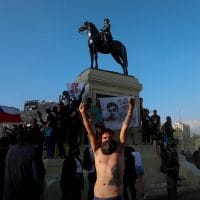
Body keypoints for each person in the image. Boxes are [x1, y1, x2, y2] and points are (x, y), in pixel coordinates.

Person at [79, 97, 135, 200]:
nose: (108, 139)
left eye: (110, 137)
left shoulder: (119, 150)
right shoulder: (97, 151)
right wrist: (83, 113)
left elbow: (124, 129)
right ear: (100, 140)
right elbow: (90, 132)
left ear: (114, 138)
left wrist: (130, 110)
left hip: (116, 196)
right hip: (98, 196)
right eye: (105, 138)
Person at [3, 128, 45, 200]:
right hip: (25, 193)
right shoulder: (32, 151)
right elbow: (38, 176)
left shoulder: (11, 150)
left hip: (9, 193)